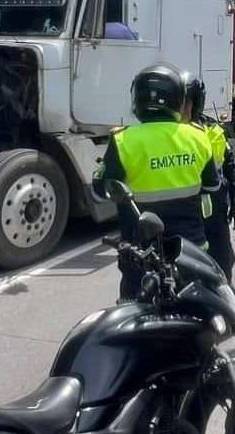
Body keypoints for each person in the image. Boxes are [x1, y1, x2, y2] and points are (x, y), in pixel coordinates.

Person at [94, 63, 220, 301]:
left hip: (140, 253)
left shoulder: (123, 140)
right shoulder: (198, 137)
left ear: (137, 99)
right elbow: (212, 186)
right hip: (189, 249)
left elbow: (102, 190)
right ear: (177, 100)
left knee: (132, 309)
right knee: (196, 309)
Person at [184, 74, 235, 284]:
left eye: (187, 103)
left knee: (223, 262)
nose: (183, 109)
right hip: (182, 211)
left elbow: (229, 166)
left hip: (214, 209)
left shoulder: (213, 129)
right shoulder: (167, 132)